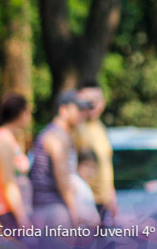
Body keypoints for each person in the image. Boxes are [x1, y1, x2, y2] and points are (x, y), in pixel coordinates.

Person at [30, 90, 88, 228]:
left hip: (48, 209)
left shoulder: (53, 132)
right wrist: (74, 210)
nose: (82, 115)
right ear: (63, 110)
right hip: (54, 211)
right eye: (78, 109)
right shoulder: (57, 136)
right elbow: (61, 176)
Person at [0, 93, 32, 229]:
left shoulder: (2, 136)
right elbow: (8, 182)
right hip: (6, 210)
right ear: (21, 113)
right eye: (28, 112)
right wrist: (23, 220)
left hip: (5, 209)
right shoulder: (3, 139)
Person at [73, 82, 117, 225]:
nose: (91, 105)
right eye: (87, 101)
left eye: (95, 101)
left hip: (103, 200)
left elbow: (105, 164)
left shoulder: (100, 127)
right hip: (86, 201)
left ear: (102, 103)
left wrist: (111, 194)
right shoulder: (77, 128)